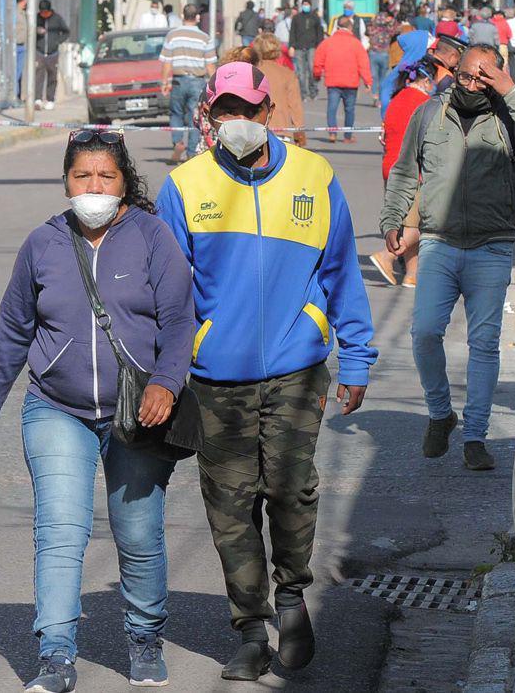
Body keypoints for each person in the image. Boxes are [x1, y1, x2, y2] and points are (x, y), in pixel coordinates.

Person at [156, 62, 377, 681]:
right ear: (210, 115)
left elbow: (341, 276)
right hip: (215, 375)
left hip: (297, 367)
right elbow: (173, 299)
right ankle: (250, 630)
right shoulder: (185, 185)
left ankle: (291, 596)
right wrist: (168, 375)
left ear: (267, 113)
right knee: (230, 502)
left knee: (288, 486)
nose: (238, 122)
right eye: (224, 110)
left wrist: (356, 357)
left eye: (247, 110)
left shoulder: (315, 176)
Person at [0, 130, 191, 693]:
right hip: (56, 409)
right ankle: (56, 655)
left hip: (137, 413)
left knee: (137, 532)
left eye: (105, 177)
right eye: (82, 176)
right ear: (66, 181)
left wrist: (166, 383)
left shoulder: (152, 237)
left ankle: (143, 637)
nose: (93, 187)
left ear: (123, 183)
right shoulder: (42, 244)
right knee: (61, 532)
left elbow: (181, 320)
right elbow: (13, 330)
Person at [381, 45, 515, 470]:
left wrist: (509, 89)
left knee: (483, 344)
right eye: (466, 75)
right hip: (439, 242)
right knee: (424, 333)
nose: (473, 83)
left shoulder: (507, 114)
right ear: (453, 72)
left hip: (492, 246)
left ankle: (475, 437)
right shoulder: (428, 114)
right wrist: (392, 219)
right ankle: (441, 414)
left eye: (484, 77)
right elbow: (406, 171)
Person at [368, 57, 436, 288]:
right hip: (413, 171)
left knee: (408, 222)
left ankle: (411, 274)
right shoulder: (425, 104)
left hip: (391, 166)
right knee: (421, 225)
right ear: (426, 81)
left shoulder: (397, 99)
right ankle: (387, 256)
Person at [159, 4, 218, 163]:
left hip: (178, 80)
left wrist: (164, 81)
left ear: (183, 16)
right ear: (197, 17)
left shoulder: (173, 35)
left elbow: (167, 62)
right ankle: (192, 152)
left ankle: (178, 142)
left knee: (175, 113)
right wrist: (214, 86)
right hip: (197, 81)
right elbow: (210, 65)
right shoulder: (205, 38)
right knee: (195, 116)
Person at [314, 15, 373, 143]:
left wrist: (317, 74)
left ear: (337, 27)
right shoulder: (356, 44)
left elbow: (318, 60)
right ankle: (347, 136)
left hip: (333, 81)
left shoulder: (327, 42)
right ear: (350, 28)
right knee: (350, 109)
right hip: (351, 82)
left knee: (332, 108)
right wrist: (368, 81)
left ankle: (332, 133)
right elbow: (363, 64)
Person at [250, 33, 306, 147]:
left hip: (254, 128)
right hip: (281, 129)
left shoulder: (250, 72)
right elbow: (295, 105)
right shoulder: (288, 74)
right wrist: (299, 131)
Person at [34, 0, 69, 110]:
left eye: (46, 12)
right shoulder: (37, 18)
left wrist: (57, 41)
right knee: (38, 76)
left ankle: (50, 99)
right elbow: (30, 29)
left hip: (53, 53)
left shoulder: (57, 19)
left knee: (52, 76)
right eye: (42, 12)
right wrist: (36, 31)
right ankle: (37, 99)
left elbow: (66, 32)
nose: (44, 15)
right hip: (39, 51)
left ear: (50, 11)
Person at [289, 0, 325, 101]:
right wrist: (291, 46)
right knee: (301, 72)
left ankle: (313, 92)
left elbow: (320, 33)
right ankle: (303, 93)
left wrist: (319, 46)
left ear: (310, 5)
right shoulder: (296, 18)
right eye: (304, 4)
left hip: (312, 47)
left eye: (307, 4)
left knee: (312, 69)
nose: (306, 5)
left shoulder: (315, 17)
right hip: (299, 47)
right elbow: (292, 32)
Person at [367, 8, 397, 101]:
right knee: (382, 77)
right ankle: (380, 96)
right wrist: (390, 20)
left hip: (373, 53)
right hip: (384, 53)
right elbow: (395, 30)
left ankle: (374, 94)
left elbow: (368, 32)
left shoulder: (372, 27)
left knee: (374, 75)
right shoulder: (388, 28)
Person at [15, 0, 30, 96]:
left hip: (22, 45)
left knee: (19, 72)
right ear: (23, 0)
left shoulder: (23, 13)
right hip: (15, 45)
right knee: (15, 73)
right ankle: (14, 95)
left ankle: (17, 95)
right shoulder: (15, 12)